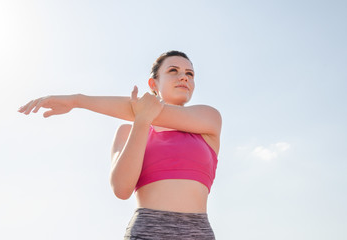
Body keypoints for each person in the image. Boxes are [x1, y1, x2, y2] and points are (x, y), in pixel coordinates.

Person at [18, 50, 222, 239]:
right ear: (153, 84)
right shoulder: (126, 131)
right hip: (147, 230)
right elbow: (121, 189)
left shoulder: (208, 119)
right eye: (173, 71)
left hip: (199, 231)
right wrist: (142, 121)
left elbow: (150, 111)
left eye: (190, 73)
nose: (184, 77)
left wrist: (77, 100)